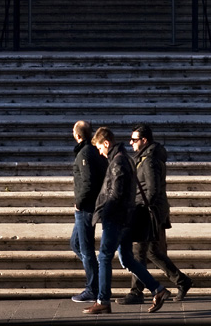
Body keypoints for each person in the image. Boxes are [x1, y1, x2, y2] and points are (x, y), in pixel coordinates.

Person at [84, 126, 171, 315]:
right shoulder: (123, 159)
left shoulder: (118, 162)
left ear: (106, 143)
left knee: (104, 256)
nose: (99, 152)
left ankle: (103, 300)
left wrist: (104, 212)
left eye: (100, 147)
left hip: (116, 218)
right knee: (127, 258)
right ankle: (158, 289)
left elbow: (116, 193)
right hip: (125, 216)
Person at [118, 123, 194, 305]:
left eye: (134, 140)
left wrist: (138, 209)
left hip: (148, 212)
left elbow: (152, 190)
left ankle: (136, 292)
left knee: (139, 252)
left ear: (144, 140)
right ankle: (182, 281)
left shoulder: (150, 160)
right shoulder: (145, 157)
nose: (131, 143)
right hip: (152, 210)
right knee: (152, 251)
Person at [70, 121, 108, 303]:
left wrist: (79, 202)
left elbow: (88, 182)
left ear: (77, 135)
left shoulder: (85, 153)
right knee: (76, 243)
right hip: (86, 206)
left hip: (85, 208)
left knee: (85, 249)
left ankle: (92, 288)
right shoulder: (88, 151)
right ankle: (97, 274)